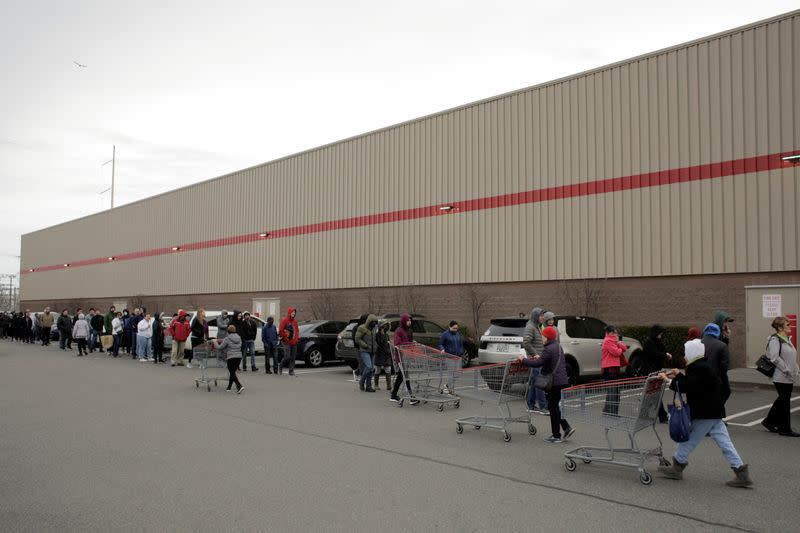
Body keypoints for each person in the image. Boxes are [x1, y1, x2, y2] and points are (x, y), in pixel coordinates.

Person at [657, 339, 753, 487]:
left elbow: (689, 386)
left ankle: (677, 466)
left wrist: (668, 381)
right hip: (714, 411)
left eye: (685, 353)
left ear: (691, 354)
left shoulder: (699, 368)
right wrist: (679, 375)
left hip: (705, 412)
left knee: (689, 440)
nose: (684, 356)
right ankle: (741, 472)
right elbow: (693, 383)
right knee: (725, 442)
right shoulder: (702, 366)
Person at [517, 325, 574, 443]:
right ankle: (566, 427)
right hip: (561, 380)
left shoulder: (548, 349)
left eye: (543, 336)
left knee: (552, 408)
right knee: (554, 406)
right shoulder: (557, 346)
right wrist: (540, 357)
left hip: (553, 382)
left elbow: (538, 364)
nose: (541, 338)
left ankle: (556, 435)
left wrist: (523, 360)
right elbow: (546, 360)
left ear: (547, 337)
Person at [761, 316, 800, 437]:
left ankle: (768, 422)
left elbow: (791, 357)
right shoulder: (775, 339)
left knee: (782, 400)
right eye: (787, 325)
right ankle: (785, 429)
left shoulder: (787, 339)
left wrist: (796, 369)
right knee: (785, 402)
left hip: (788, 376)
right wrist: (787, 369)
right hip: (781, 376)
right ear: (780, 327)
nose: (790, 327)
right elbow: (774, 358)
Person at [642, 324, 672, 423]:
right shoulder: (648, 342)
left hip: (657, 370)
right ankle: (662, 416)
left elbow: (662, 350)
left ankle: (644, 413)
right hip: (651, 371)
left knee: (652, 393)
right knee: (655, 393)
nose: (661, 335)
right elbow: (653, 354)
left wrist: (666, 354)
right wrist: (664, 354)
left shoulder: (657, 341)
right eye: (660, 333)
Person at [521, 307, 548, 414]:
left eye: (543, 315)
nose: (543, 317)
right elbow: (526, 343)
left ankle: (530, 404)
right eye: (541, 315)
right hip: (535, 360)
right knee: (540, 383)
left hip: (539, 359)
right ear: (536, 316)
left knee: (534, 382)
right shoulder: (530, 327)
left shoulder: (537, 326)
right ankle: (543, 407)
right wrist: (535, 354)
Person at [389, 313, 419, 404]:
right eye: (407, 320)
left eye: (410, 320)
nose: (409, 322)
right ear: (403, 321)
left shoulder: (409, 331)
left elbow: (409, 341)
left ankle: (394, 395)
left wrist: (413, 343)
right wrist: (409, 344)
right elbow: (397, 343)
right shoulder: (399, 331)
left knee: (402, 376)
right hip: (401, 356)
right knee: (405, 376)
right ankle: (411, 397)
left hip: (407, 356)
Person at [701, 323, 731, 406]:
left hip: (700, 377)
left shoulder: (698, 344)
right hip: (717, 378)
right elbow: (725, 365)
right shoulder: (722, 345)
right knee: (724, 393)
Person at [601, 325, 628, 416]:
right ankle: (611, 412)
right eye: (616, 332)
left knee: (614, 390)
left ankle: (608, 410)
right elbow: (616, 352)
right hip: (610, 369)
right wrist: (619, 346)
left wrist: (618, 343)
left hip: (614, 368)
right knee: (613, 391)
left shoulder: (613, 341)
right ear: (611, 333)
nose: (617, 334)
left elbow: (624, 348)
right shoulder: (607, 341)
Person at [215, 325, 244, 394]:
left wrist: (215, 343)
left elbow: (220, 347)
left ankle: (239, 385)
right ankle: (229, 387)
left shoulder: (227, 338)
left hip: (231, 357)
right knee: (233, 372)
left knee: (231, 372)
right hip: (238, 356)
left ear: (228, 331)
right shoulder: (239, 337)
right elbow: (240, 346)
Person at [438, 320, 465, 394]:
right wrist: (442, 349)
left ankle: (448, 385)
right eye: (454, 328)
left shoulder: (458, 334)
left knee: (458, 374)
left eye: (456, 328)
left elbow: (460, 344)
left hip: (458, 356)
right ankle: (450, 390)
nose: (455, 330)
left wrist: (461, 352)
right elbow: (440, 344)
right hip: (449, 356)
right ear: (449, 327)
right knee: (451, 373)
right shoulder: (445, 334)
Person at [355, 314, 378, 392]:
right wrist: (365, 345)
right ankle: (362, 381)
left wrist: (376, 346)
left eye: (375, 322)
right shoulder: (362, 328)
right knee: (369, 367)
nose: (374, 324)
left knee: (371, 369)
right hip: (364, 351)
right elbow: (357, 339)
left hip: (373, 351)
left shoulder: (374, 329)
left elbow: (375, 339)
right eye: (373, 322)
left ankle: (368, 386)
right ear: (369, 321)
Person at [278, 307, 300, 376]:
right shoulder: (284, 320)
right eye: (292, 312)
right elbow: (281, 330)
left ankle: (291, 371)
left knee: (293, 357)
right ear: (289, 312)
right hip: (286, 341)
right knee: (287, 356)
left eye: (294, 313)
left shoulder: (295, 322)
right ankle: (280, 366)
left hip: (294, 342)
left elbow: (297, 331)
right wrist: (286, 338)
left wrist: (296, 339)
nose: (293, 314)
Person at [373, 319, 393, 391]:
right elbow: (380, 343)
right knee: (377, 370)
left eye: (386, 326)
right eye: (384, 326)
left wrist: (389, 343)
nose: (385, 327)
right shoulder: (377, 335)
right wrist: (382, 335)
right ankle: (376, 384)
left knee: (388, 369)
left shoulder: (386, 334)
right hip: (379, 354)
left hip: (386, 354)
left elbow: (386, 344)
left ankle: (389, 385)